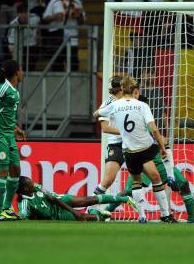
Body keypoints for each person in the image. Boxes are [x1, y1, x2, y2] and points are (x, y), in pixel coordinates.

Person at [93, 76, 177, 223]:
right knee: (153, 177)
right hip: (136, 147)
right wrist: (160, 146)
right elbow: (154, 129)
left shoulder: (115, 105)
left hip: (128, 149)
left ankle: (143, 215)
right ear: (134, 90)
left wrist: (104, 113)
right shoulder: (140, 105)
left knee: (138, 181)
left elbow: (96, 114)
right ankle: (165, 212)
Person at [0, 59, 26, 221]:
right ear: (16, 72)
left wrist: (16, 129)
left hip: (9, 134)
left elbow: (4, 113)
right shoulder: (2, 89)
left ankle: (7, 208)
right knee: (2, 171)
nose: (23, 73)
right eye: (21, 70)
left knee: (15, 170)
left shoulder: (14, 91)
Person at [17, 176, 136, 221]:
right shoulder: (25, 203)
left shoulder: (36, 187)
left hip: (60, 200)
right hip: (56, 215)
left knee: (88, 199)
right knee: (89, 219)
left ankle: (125, 199)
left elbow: (52, 198)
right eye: (31, 184)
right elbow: (23, 217)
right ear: (25, 189)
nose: (34, 184)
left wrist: (73, 211)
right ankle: (95, 213)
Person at [91, 76, 125, 201]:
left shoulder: (131, 101)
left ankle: (164, 213)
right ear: (120, 89)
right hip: (117, 145)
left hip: (133, 144)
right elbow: (105, 128)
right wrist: (126, 132)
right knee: (108, 180)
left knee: (150, 177)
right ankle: (89, 208)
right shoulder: (108, 103)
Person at [42, 0, 85, 71]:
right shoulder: (54, 1)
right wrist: (54, 17)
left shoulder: (77, 2)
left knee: (73, 66)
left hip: (72, 39)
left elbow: (82, 22)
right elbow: (45, 18)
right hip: (57, 38)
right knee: (57, 66)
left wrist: (79, 16)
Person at [7, 2, 40, 69]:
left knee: (32, 66)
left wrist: (38, 37)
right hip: (19, 47)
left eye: (25, 12)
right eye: (21, 13)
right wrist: (12, 49)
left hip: (32, 45)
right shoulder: (13, 24)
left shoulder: (35, 19)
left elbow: (38, 29)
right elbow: (10, 39)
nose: (24, 15)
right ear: (17, 14)